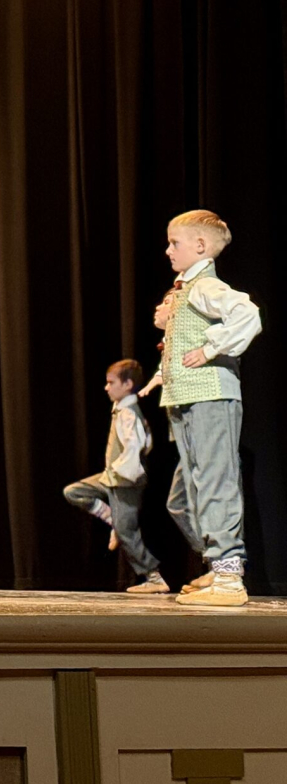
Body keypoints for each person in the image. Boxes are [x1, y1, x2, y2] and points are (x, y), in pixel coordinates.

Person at [156, 211, 262, 607]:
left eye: (175, 243)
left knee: (215, 481)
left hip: (211, 395)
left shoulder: (206, 286)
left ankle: (229, 576)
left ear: (200, 246)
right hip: (186, 396)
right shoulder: (186, 290)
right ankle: (218, 564)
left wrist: (211, 349)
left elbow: (248, 314)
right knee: (185, 494)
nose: (168, 251)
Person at [63, 359, 167, 594]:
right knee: (74, 492)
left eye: (111, 383)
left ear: (128, 384)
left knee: (127, 532)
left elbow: (137, 445)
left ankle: (154, 577)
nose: (106, 387)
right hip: (113, 477)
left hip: (125, 481)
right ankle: (112, 518)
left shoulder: (129, 414)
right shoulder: (121, 410)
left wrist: (121, 472)